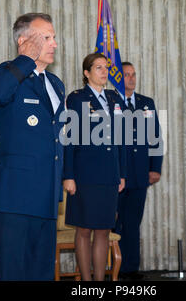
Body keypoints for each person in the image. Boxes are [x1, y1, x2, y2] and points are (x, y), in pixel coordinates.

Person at [0, 13, 65, 280]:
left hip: (47, 197)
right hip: (14, 198)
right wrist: (25, 59)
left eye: (54, 37)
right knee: (13, 274)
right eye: (46, 37)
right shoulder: (5, 73)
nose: (54, 43)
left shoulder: (56, 84)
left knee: (42, 274)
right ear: (23, 41)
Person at [63, 52, 126, 281]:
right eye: (98, 68)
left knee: (103, 230)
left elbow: (121, 139)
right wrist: (68, 175)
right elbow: (69, 138)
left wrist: (122, 173)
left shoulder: (114, 98)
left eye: (106, 67)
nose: (104, 72)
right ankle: (86, 282)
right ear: (86, 73)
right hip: (84, 174)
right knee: (84, 230)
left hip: (109, 173)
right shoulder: (77, 98)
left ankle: (100, 282)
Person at [114, 62, 163, 280]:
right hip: (116, 175)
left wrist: (155, 168)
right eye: (126, 75)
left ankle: (130, 268)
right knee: (114, 223)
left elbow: (155, 137)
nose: (131, 79)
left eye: (134, 75)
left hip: (140, 173)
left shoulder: (146, 103)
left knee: (133, 223)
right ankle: (111, 268)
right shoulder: (110, 102)